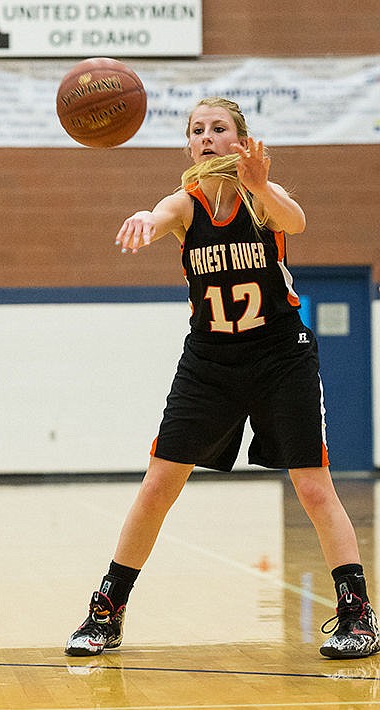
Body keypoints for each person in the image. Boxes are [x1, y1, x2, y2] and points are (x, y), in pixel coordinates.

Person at [65, 97, 379, 660]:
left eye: (218, 128)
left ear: (239, 140)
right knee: (159, 483)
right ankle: (106, 612)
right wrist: (145, 218)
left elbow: (296, 220)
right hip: (210, 362)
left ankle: (357, 613)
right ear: (189, 145)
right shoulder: (183, 204)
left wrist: (260, 184)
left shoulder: (260, 198)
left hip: (281, 355)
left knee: (312, 484)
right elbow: (160, 218)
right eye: (197, 130)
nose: (206, 137)